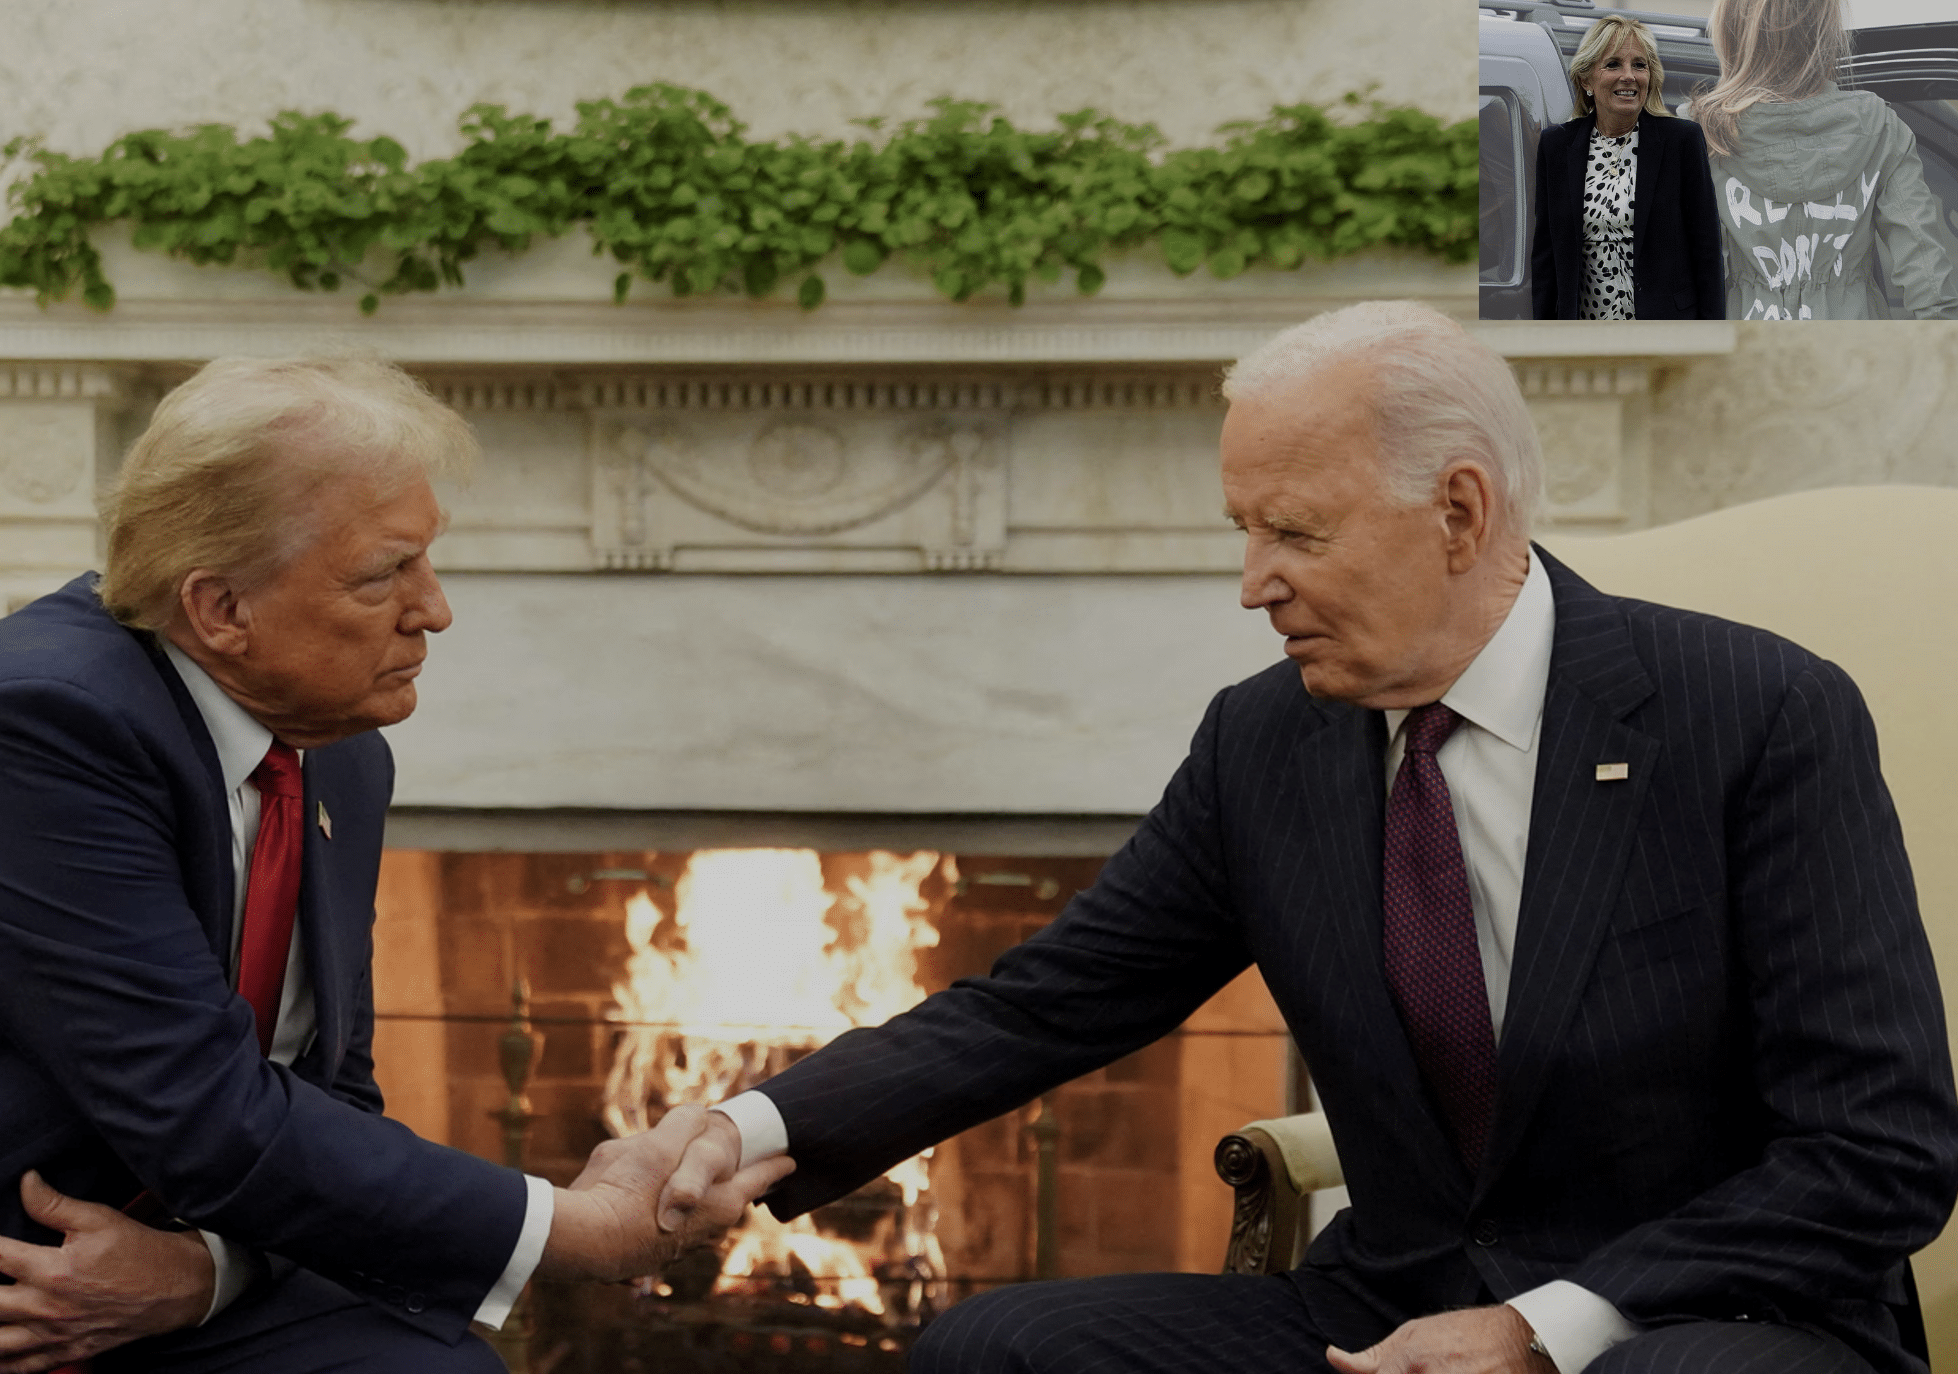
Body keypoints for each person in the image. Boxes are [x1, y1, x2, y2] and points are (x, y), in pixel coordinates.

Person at [661, 300, 1958, 1374]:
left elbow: (1873, 1148)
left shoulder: (1754, 712)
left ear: (1458, 511)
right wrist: (752, 1123)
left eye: (1294, 531)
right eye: (1244, 527)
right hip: (1380, 1311)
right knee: (992, 1349)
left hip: (1703, 1318)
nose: (1251, 582)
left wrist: (1536, 1328)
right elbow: (1042, 1005)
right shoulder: (1262, 742)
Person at [0, 356, 787, 1374]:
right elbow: (210, 1116)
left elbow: (318, 1099)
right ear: (216, 607)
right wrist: (569, 1229)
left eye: (427, 559)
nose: (435, 610)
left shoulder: (335, 754)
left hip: (125, 1270)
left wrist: (202, 1278)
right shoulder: (37, 721)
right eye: (384, 574)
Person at [1691, 0, 1958, 320]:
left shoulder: (1702, 136)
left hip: (1752, 354)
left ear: (1730, 32)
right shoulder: (1880, 128)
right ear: (1825, 34)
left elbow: (1681, 276)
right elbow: (1927, 278)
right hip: (1857, 354)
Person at [1530, 16, 1725, 320]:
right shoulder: (1556, 147)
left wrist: (1711, 340)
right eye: (1613, 65)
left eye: (1639, 65)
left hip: (1665, 333)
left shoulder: (1681, 141)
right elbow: (1546, 258)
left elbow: (1707, 252)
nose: (1629, 76)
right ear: (1586, 80)